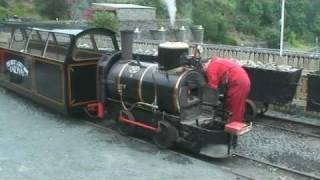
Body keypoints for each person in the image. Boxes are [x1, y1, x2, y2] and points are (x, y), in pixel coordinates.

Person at [203, 57, 251, 133]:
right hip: (242, 80)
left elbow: (212, 86)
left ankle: (231, 133)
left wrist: (207, 101)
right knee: (238, 106)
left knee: (234, 108)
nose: (204, 70)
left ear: (205, 64)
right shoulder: (218, 62)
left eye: (204, 68)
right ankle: (233, 127)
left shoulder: (211, 66)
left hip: (238, 82)